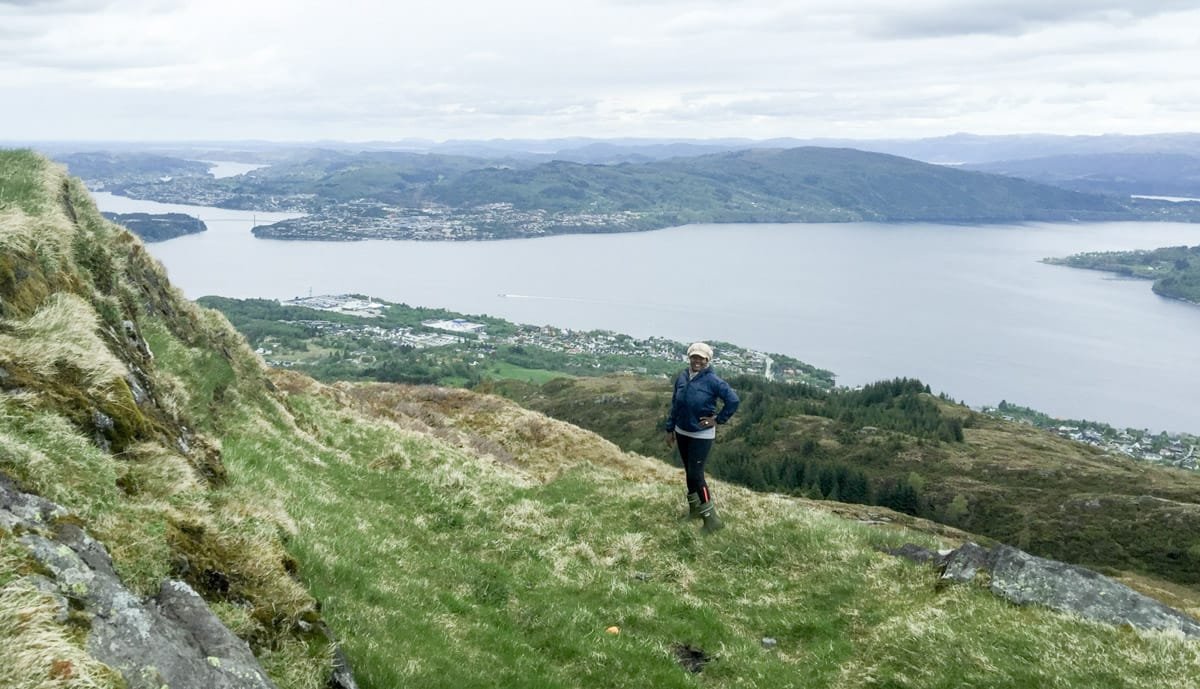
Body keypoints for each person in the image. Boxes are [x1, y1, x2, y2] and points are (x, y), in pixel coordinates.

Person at [664, 342, 739, 533]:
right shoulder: (682, 377)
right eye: (694, 357)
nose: (697, 361)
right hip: (682, 431)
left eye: (702, 358)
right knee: (689, 473)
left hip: (701, 435)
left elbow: (733, 400)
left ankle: (712, 520)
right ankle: (694, 511)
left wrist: (717, 419)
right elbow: (675, 404)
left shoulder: (713, 381)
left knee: (696, 475)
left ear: (708, 360)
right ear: (689, 358)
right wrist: (670, 428)